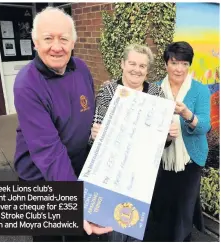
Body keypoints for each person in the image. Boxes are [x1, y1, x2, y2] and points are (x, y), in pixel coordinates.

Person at [13, 7, 112, 242]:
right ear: (35, 43)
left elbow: (86, 111)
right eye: (48, 39)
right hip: (39, 175)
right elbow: (49, 151)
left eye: (63, 39)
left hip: (77, 167)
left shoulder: (82, 68)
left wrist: (95, 129)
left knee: (82, 233)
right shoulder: (27, 84)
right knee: (50, 236)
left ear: (73, 42)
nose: (56, 46)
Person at [89, 43, 179, 242]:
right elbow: (93, 137)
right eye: (132, 63)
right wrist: (95, 135)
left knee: (137, 224)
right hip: (113, 174)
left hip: (142, 175)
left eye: (142, 66)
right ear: (122, 64)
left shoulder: (156, 95)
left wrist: (170, 135)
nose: (136, 70)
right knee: (113, 229)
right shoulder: (108, 92)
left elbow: (163, 143)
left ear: (147, 70)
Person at [150, 41, 211, 242]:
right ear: (166, 63)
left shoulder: (200, 90)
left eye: (184, 64)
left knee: (184, 210)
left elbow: (204, 127)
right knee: (163, 206)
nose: (179, 69)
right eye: (174, 62)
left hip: (190, 160)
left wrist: (187, 114)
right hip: (162, 158)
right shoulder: (155, 89)